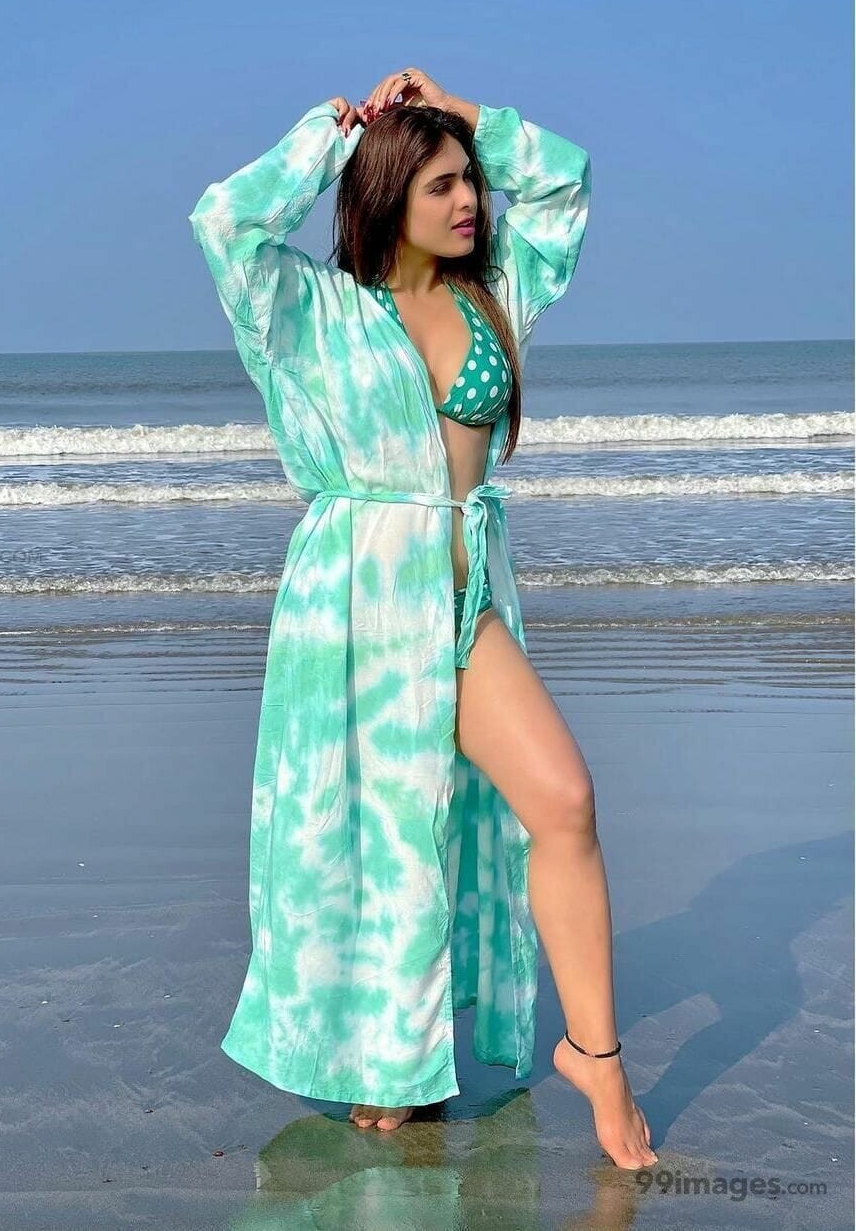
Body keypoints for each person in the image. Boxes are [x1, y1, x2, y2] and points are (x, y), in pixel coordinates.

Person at [188, 67, 658, 1170]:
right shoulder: (313, 311)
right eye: (441, 183)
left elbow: (565, 186)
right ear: (387, 191)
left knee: (564, 799)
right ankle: (386, 1056)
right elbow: (223, 223)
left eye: (469, 182)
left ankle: (596, 1057)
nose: (469, 202)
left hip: (465, 603)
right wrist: (328, 135)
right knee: (387, 837)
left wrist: (469, 113)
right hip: (356, 610)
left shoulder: (495, 292)